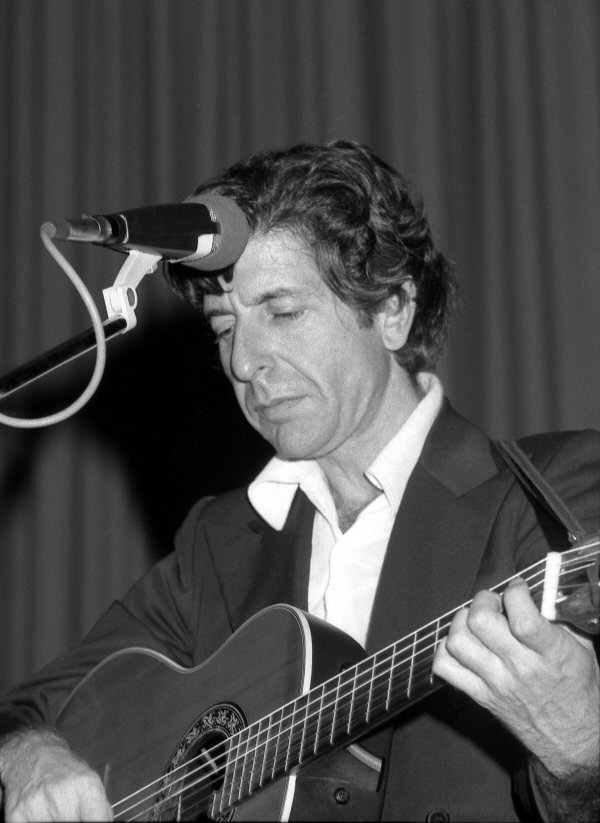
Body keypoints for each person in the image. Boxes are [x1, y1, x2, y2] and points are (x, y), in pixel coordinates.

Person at [0, 140, 598, 822]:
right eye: (224, 326)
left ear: (392, 310)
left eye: (282, 313)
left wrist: (584, 749)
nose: (244, 361)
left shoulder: (550, 493)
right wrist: (31, 757)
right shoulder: (222, 540)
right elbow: (28, 710)